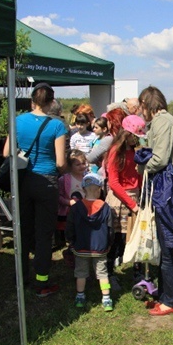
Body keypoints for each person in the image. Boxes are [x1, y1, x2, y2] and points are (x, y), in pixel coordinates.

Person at [3, 83, 67, 296]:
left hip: (23, 180)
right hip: (47, 181)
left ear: (32, 101)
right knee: (43, 234)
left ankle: (20, 279)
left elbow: (6, 153)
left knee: (22, 231)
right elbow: (60, 163)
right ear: (51, 103)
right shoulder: (57, 126)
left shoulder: (17, 120)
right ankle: (42, 282)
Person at [139, 86, 173, 316]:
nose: (141, 112)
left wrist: (141, 166)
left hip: (170, 190)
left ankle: (171, 300)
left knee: (168, 246)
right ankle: (167, 293)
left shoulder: (161, 122)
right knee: (164, 244)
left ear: (148, 104)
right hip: (169, 187)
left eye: (142, 107)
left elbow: (159, 158)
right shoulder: (165, 121)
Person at [66, 173, 114, 311]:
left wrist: (71, 241)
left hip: (81, 248)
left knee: (80, 273)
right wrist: (109, 243)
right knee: (103, 274)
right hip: (100, 248)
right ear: (99, 189)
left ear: (83, 190)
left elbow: (70, 227)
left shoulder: (75, 208)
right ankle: (106, 298)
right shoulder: (106, 208)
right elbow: (110, 229)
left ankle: (80, 296)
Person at [105, 115, 145, 279]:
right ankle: (109, 273)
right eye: (135, 136)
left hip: (134, 197)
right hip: (119, 200)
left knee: (136, 237)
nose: (137, 140)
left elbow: (136, 175)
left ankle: (137, 271)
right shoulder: (116, 151)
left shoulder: (132, 151)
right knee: (116, 239)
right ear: (127, 134)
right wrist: (131, 204)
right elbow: (114, 182)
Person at [57, 149, 87, 246]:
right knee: (69, 229)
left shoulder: (87, 178)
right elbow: (59, 196)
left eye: (83, 163)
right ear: (70, 166)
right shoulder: (64, 179)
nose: (82, 166)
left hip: (84, 209)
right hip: (68, 211)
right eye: (78, 165)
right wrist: (68, 202)